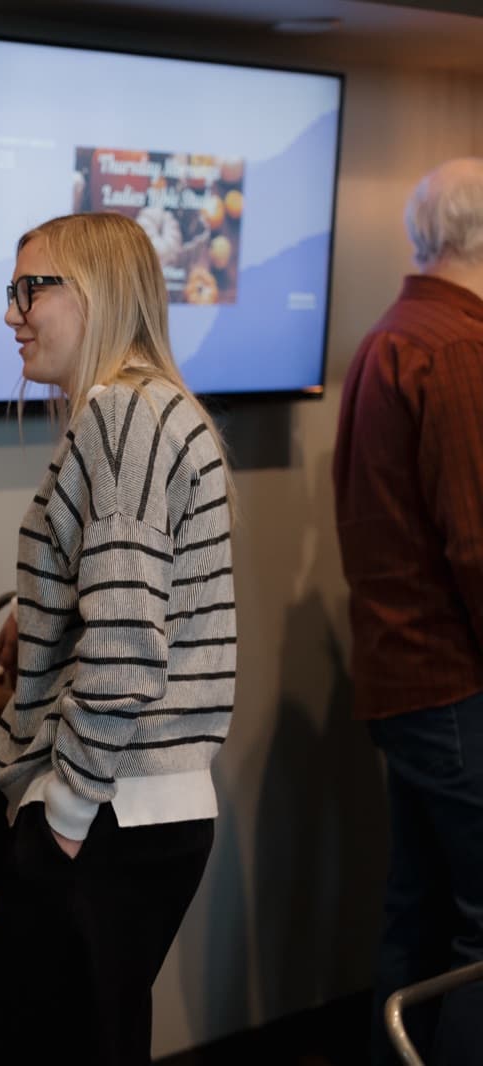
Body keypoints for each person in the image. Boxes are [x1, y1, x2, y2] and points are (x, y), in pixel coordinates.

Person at [0, 212, 237, 1066]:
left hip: (106, 815)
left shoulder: (119, 417)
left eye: (36, 288)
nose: (13, 313)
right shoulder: (158, 409)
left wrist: (64, 816)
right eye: (13, 290)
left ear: (99, 294)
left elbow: (128, 646)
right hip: (144, 814)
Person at [333, 158, 483, 1066]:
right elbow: (479, 547)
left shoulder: (392, 335)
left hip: (403, 682)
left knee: (420, 917)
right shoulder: (460, 349)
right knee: (477, 940)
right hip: (458, 684)